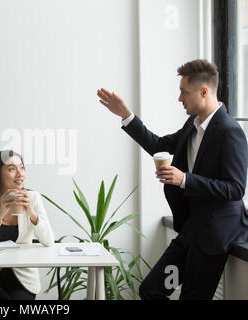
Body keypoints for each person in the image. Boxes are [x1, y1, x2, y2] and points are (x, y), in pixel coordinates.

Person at [97, 59, 248, 300]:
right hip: (190, 231)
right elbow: (159, 145)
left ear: (204, 91)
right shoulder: (193, 124)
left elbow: (236, 188)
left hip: (214, 237)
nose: (180, 99)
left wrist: (185, 179)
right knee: (151, 289)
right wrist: (126, 115)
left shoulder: (230, 132)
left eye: (184, 92)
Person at [0, 150, 54, 300]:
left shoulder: (33, 198)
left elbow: (48, 240)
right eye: (11, 169)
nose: (20, 174)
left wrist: (31, 213)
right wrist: (0, 214)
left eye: (22, 168)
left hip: (23, 278)